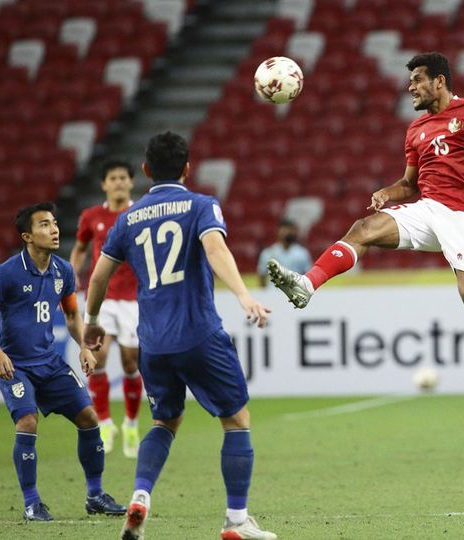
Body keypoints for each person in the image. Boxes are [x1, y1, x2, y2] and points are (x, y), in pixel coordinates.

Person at [267, 52, 464, 426]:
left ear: (439, 82)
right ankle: (306, 285)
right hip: (428, 210)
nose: (410, 87)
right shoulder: (415, 131)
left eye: (417, 80)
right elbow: (409, 185)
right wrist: (387, 193)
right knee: (364, 229)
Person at [83, 132, 276, 540]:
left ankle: (140, 496)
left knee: (164, 422)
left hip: (153, 341)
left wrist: (92, 318)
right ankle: (237, 520)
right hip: (199, 334)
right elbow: (215, 250)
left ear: (146, 171)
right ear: (187, 168)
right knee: (236, 420)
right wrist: (243, 295)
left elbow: (98, 274)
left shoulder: (128, 218)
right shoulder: (201, 205)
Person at [0, 202, 126, 521]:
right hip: (15, 365)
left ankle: (95, 495)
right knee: (27, 421)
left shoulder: (63, 271)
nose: (54, 229)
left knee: (88, 417)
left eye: (54, 223)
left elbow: (71, 314)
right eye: (44, 225)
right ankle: (31, 503)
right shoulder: (6, 273)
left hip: (50, 363)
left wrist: (83, 346)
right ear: (28, 235)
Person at [70, 159, 143, 458]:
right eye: (112, 178)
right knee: (97, 358)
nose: (118, 182)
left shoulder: (140, 213)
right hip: (102, 299)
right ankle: (104, 422)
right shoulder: (91, 216)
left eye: (123, 177)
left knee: (130, 364)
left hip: (135, 299)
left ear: (130, 182)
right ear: (104, 184)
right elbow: (80, 248)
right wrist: (71, 275)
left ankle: (131, 423)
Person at [257, 219, 312, 288]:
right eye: (286, 229)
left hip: (295, 294)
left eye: (292, 229)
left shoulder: (302, 253)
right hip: (272, 294)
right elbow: (262, 276)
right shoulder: (268, 253)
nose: (289, 232)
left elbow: (308, 277)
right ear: (278, 231)